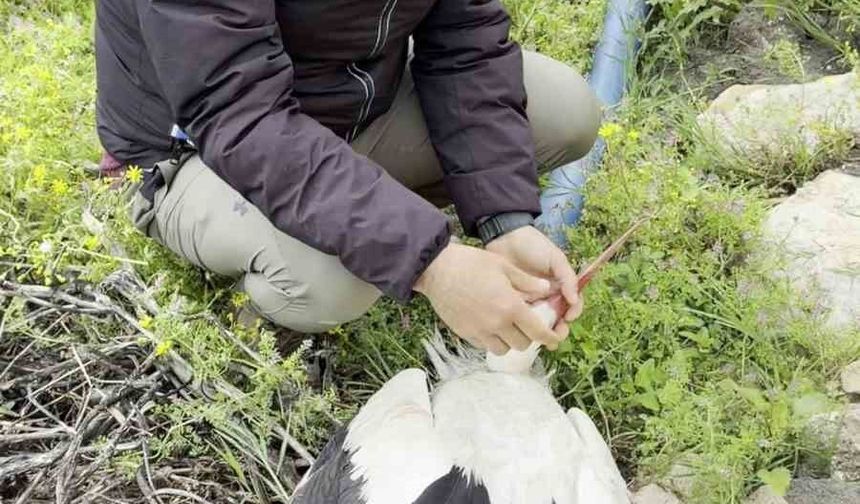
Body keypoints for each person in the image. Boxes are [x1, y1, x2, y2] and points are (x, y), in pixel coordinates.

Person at [95, 0, 601, 355]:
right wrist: (434, 266)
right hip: (199, 148)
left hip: (345, 106)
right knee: (337, 282)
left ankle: (356, 204)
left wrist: (504, 219)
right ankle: (261, 312)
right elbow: (242, 117)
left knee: (564, 111)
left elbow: (465, 42)